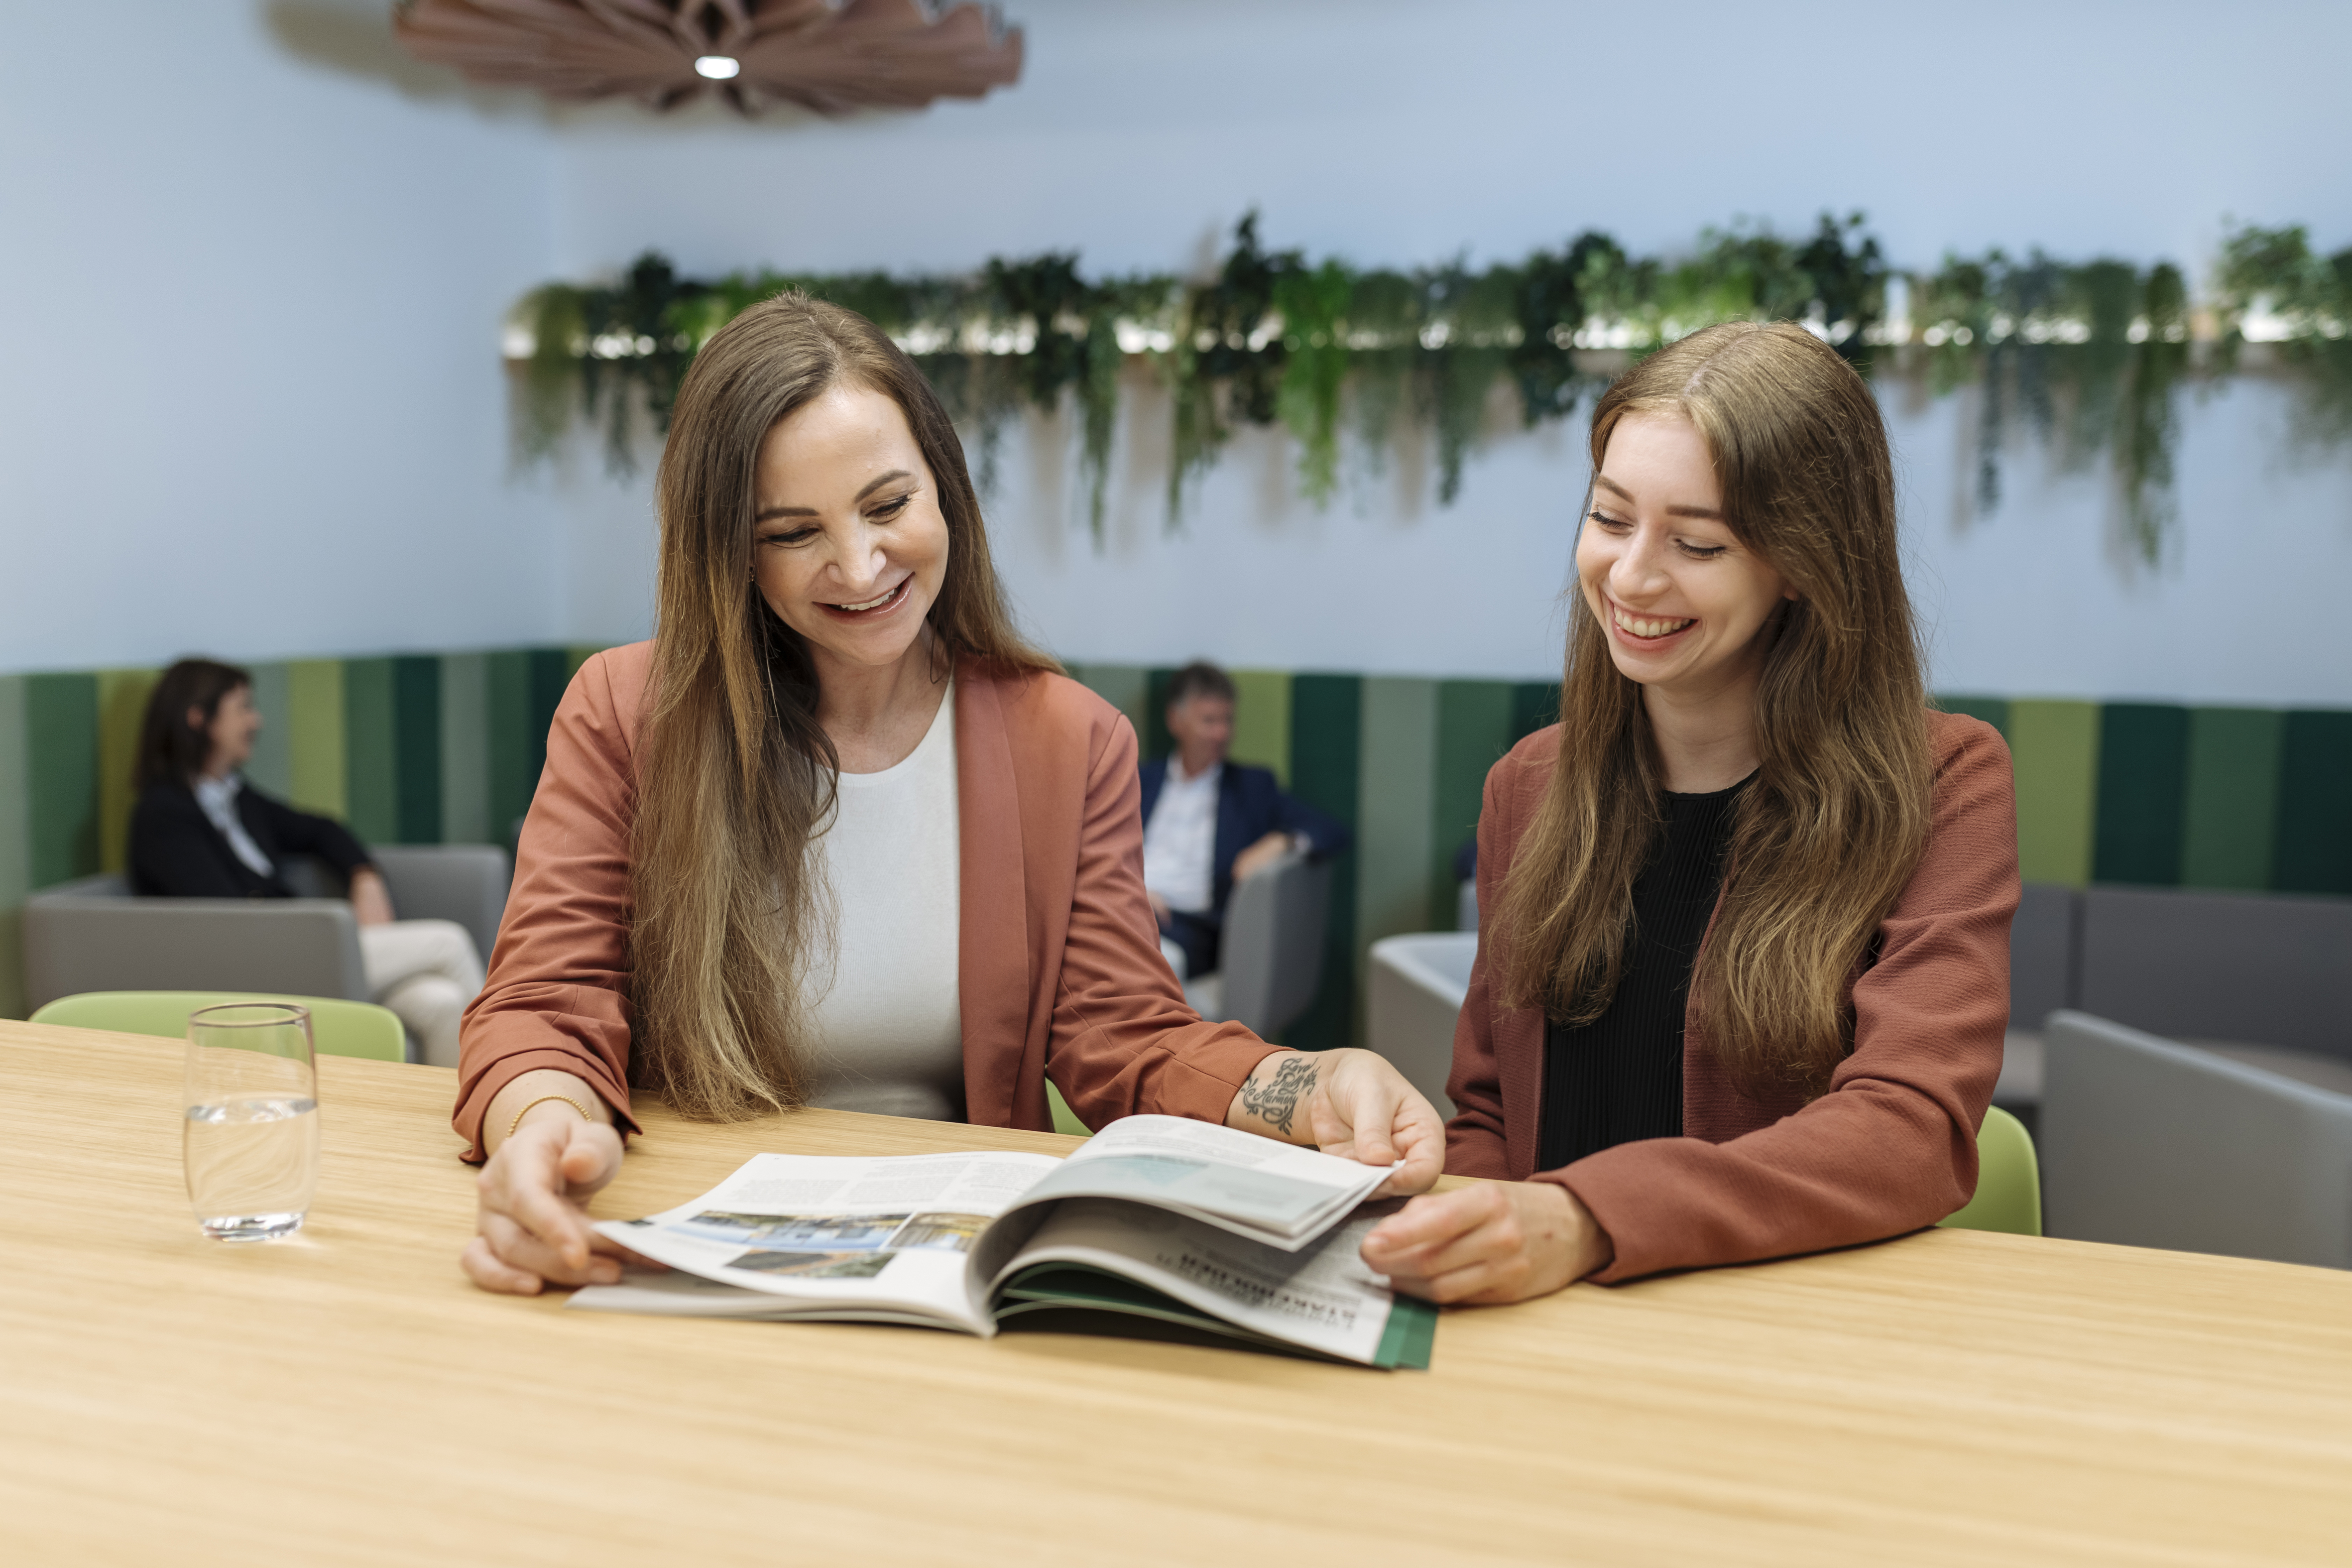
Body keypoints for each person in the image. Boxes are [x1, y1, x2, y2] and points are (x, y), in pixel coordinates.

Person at [458, 292, 1444, 1296]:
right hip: (676, 1240)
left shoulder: (1067, 737)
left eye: (887, 505)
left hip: (943, 1267)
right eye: (794, 532)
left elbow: (1124, 1035)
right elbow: (543, 1002)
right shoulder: (627, 712)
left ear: (945, 489)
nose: (859, 564)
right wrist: (542, 1128)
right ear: (730, 554)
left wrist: (1308, 1087)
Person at [1362, 321, 2018, 1302]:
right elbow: (1493, 1116)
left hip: (1767, 1335)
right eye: (1609, 518)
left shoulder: (1941, 782)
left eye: (1697, 542)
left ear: (1803, 562)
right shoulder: (1527, 787)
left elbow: (1908, 1129)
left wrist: (1585, 1217)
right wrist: (1444, 1228)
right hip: (1543, 1328)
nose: (1629, 576)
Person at [127, 659, 486, 1067]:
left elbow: (322, 829)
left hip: (295, 952)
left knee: (441, 1001)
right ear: (198, 718)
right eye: (243, 708)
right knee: (448, 941)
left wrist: (364, 875)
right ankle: (516, 1086)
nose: (256, 720)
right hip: (262, 966)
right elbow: (229, 920)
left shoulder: (236, 797)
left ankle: (472, 1123)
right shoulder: (163, 815)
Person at [1139, 662, 1350, 979]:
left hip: (1191, 926)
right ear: (1175, 720)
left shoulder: (1252, 787)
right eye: (1209, 721)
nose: (1222, 733)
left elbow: (1333, 830)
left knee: (1142, 959)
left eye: (1228, 720)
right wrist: (1135, 890)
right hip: (1130, 905)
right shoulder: (1140, 780)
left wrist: (1283, 840)